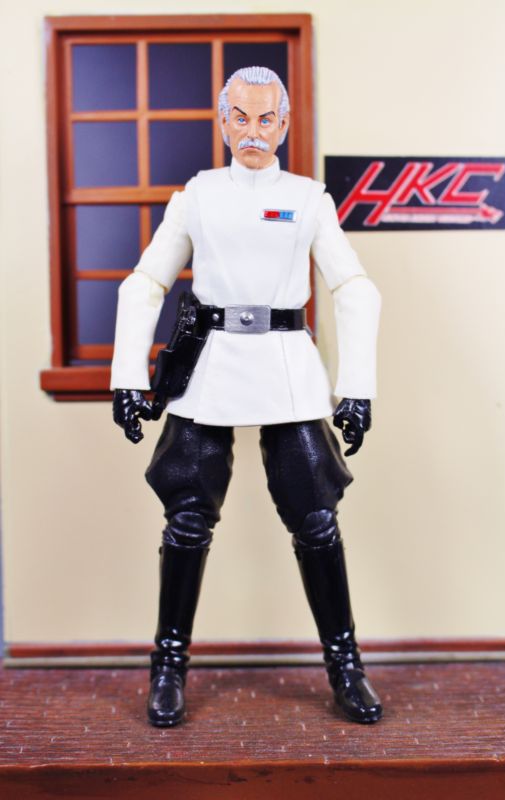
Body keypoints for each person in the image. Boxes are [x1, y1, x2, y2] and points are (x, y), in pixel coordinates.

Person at [111, 66, 382, 728]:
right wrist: (126, 375)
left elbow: (354, 287)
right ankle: (167, 667)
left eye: (266, 118)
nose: (253, 131)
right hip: (211, 366)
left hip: (286, 366)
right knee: (187, 520)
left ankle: (346, 667)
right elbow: (146, 281)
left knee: (316, 520)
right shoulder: (198, 196)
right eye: (240, 117)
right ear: (223, 121)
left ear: (283, 124)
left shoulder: (307, 198)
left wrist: (356, 387)